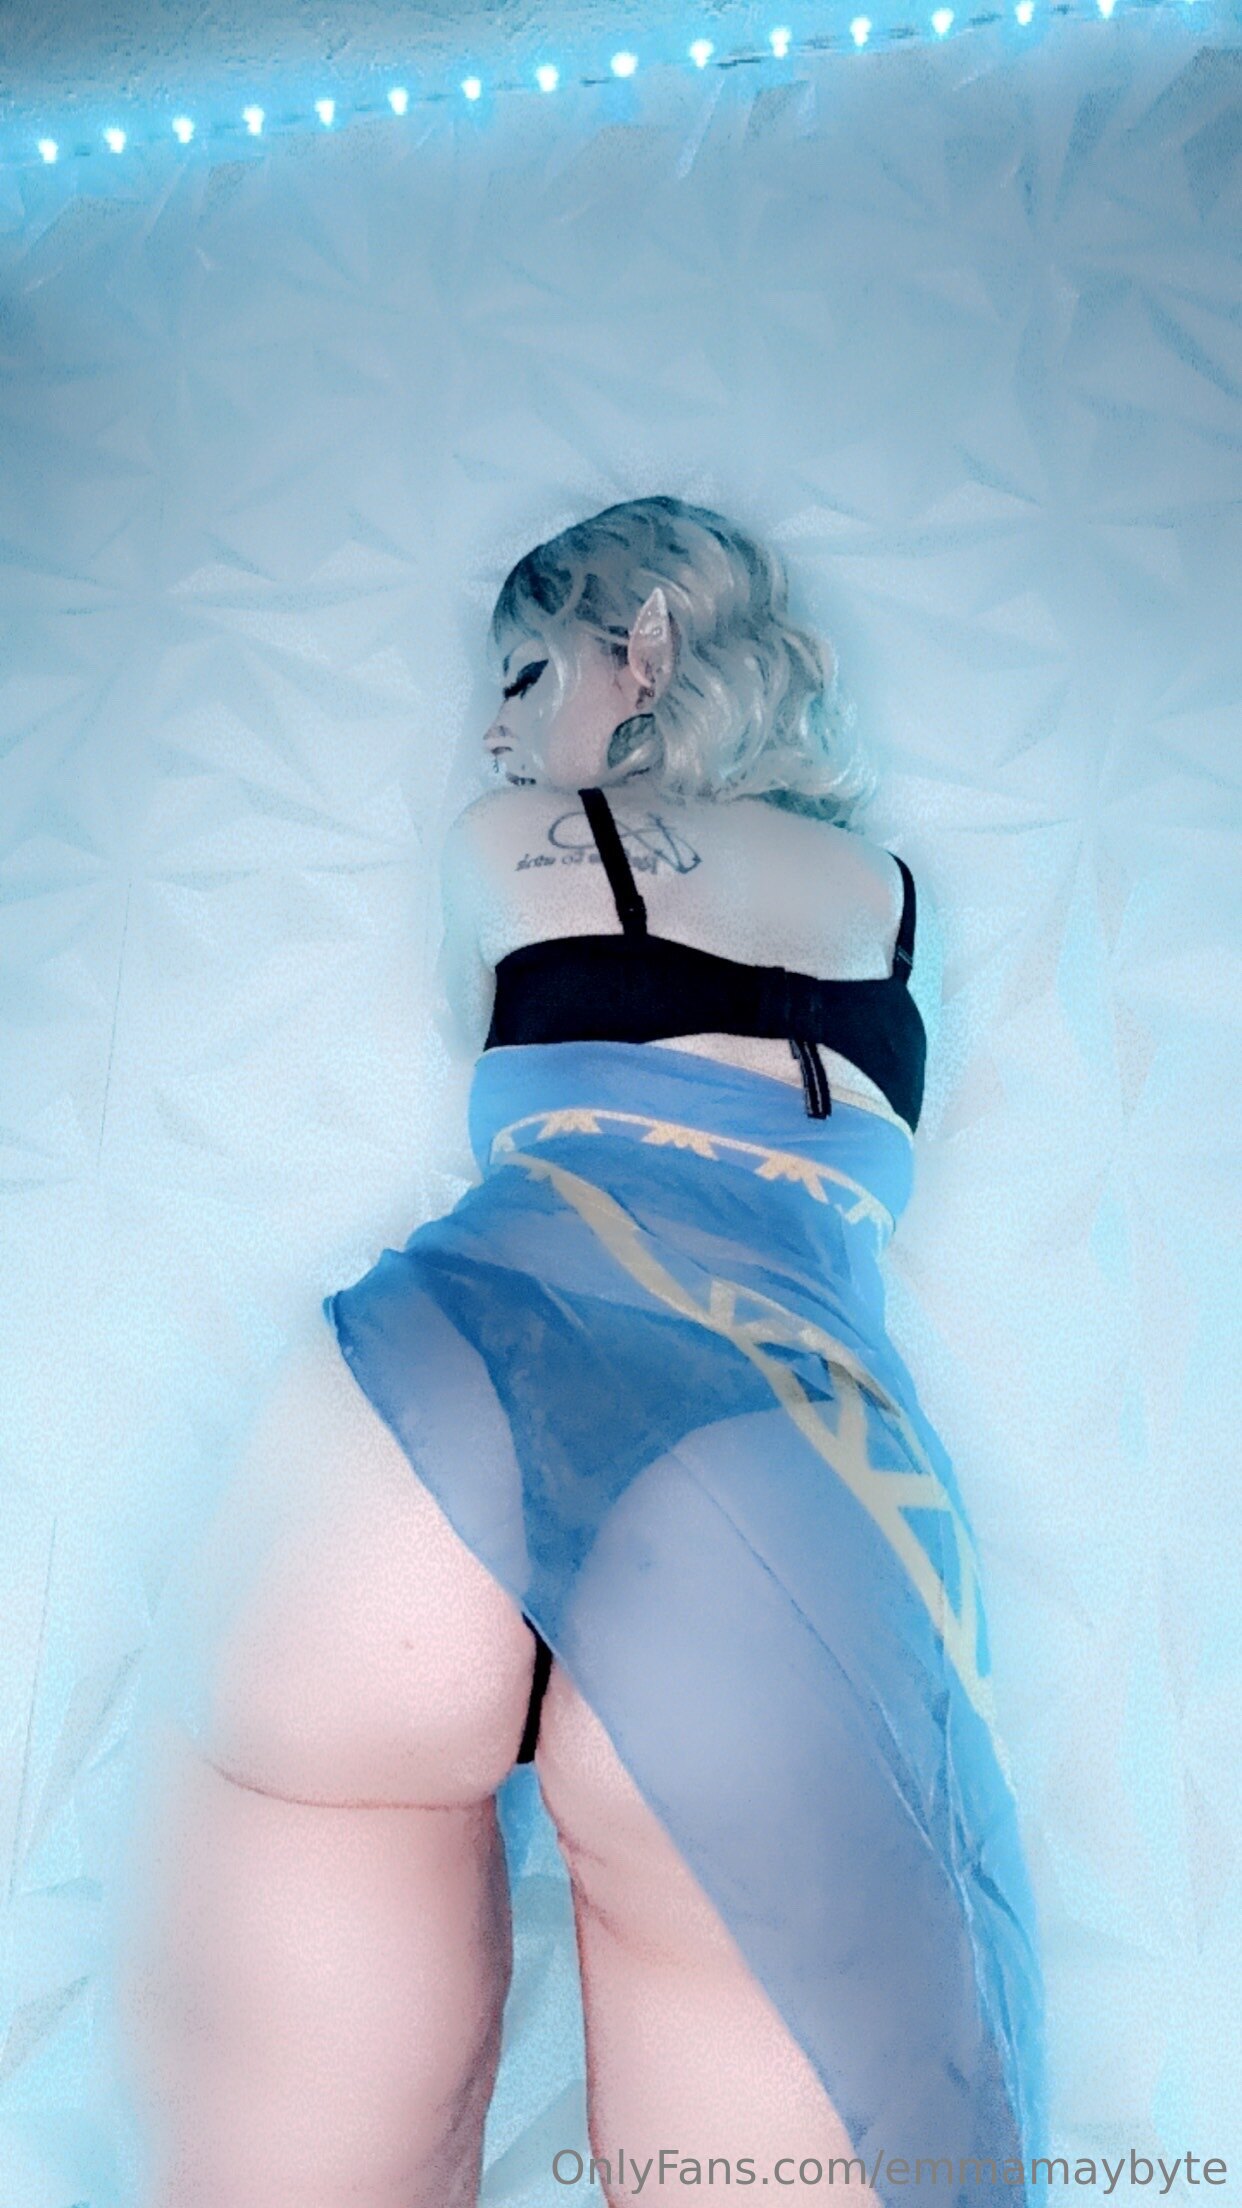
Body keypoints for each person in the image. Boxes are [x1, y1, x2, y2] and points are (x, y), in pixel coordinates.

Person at [112, 497, 1046, 2208]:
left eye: (522, 671)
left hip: (441, 1389)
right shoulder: (893, 904)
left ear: (647, 648)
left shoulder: (517, 842)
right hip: (778, 1453)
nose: (489, 726)